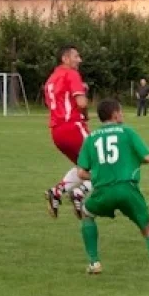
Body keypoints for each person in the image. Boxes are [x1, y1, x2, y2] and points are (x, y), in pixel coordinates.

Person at [76, 99, 149, 283]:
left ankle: (94, 262)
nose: (122, 114)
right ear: (114, 114)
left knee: (86, 214)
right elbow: (148, 157)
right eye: (121, 111)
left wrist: (98, 176)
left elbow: (81, 172)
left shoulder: (91, 138)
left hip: (103, 191)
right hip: (127, 189)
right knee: (148, 230)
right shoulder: (127, 132)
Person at [43, 45, 92, 219]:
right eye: (76, 56)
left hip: (57, 131)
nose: (80, 60)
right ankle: (77, 193)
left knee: (85, 167)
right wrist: (85, 115)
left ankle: (57, 192)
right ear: (65, 58)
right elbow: (81, 103)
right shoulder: (71, 74)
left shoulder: (51, 79)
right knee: (106, 164)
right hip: (73, 127)